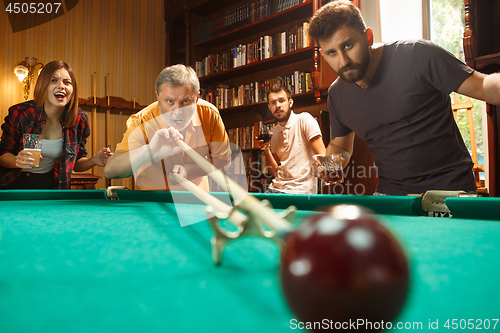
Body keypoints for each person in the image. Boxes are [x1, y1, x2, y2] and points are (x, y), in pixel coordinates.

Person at [308, 0, 500, 195]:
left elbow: (484, 87)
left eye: (348, 45)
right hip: (392, 195)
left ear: (368, 37)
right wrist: (331, 162)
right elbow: (340, 145)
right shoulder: (336, 95)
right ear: (324, 55)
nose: (343, 61)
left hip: (448, 190)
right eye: (332, 52)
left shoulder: (418, 54)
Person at [104, 64, 231, 191]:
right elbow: (111, 171)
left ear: (197, 98)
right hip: (152, 202)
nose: (177, 111)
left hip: (196, 201)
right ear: (158, 97)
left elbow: (222, 160)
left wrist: (188, 169)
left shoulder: (210, 115)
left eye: (185, 102)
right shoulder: (142, 121)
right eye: (170, 101)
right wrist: (151, 150)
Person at [0, 60, 111, 189]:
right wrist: (16, 161)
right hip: (12, 182)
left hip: (49, 184)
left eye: (67, 82)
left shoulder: (79, 121)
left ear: (73, 89)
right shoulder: (22, 113)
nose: (61, 86)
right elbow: (3, 154)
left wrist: (94, 160)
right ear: (43, 85)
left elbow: (76, 164)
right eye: (53, 80)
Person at [257, 83, 325, 194]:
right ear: (269, 107)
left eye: (281, 101)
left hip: (300, 190)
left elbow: (323, 156)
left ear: (290, 103)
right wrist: (266, 149)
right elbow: (275, 172)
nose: (277, 105)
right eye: (273, 103)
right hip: (275, 188)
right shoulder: (273, 132)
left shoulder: (304, 119)